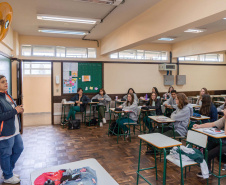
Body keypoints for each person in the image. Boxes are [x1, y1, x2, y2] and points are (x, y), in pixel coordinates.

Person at [0, 75, 24, 184]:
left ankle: (8, 171)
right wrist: (15, 111)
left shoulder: (7, 95)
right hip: (5, 132)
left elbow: (12, 109)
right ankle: (8, 176)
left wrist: (18, 109)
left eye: (6, 81)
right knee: (6, 154)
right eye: (2, 82)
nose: (6, 83)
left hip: (14, 130)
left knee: (19, 148)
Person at [193, 103, 226, 178]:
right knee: (206, 147)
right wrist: (199, 126)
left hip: (224, 144)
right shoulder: (224, 118)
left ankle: (207, 171)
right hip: (223, 142)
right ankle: (208, 170)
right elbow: (212, 124)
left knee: (209, 154)